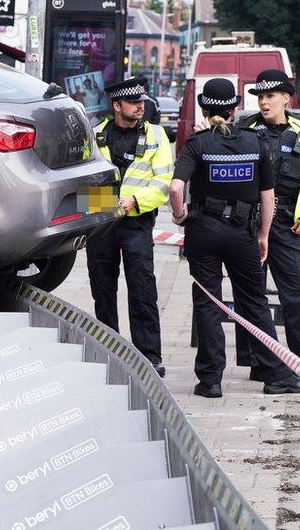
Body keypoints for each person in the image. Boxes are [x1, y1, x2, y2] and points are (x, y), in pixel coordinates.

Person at [169, 78, 300, 398]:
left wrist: (180, 216)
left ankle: (210, 381)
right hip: (242, 233)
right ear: (234, 110)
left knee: (207, 303)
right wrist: (263, 235)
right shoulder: (254, 142)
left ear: (204, 110)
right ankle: (275, 375)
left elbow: (176, 188)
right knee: (253, 301)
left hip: (203, 230)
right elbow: (268, 197)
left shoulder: (198, 143)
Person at [237, 69, 300, 381]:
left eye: (270, 97)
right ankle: (260, 363)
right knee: (251, 294)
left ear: (286, 99)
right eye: (260, 97)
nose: (264, 103)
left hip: (290, 222)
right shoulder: (244, 129)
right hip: (250, 223)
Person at [89, 77, 173, 377]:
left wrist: (133, 201)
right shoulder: (96, 135)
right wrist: (106, 207)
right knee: (103, 290)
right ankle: (109, 350)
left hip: (137, 222)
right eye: (134, 102)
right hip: (102, 224)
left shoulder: (156, 135)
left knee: (142, 290)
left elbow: (162, 183)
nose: (140, 106)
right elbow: (84, 180)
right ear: (116, 106)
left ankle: (150, 356)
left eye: (142, 102)